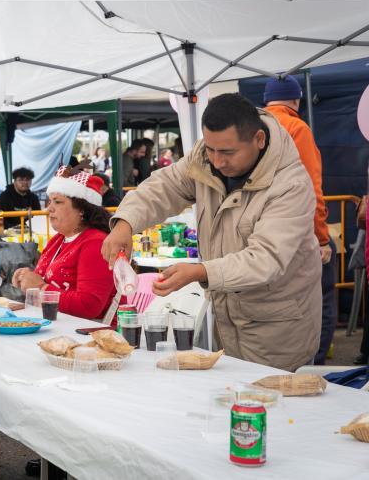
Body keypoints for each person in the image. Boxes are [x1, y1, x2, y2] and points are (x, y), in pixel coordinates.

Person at [102, 93, 321, 371]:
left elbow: (266, 259)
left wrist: (200, 272)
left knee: (277, 409)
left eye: (227, 152)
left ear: (259, 140)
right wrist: (125, 223)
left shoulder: (290, 185)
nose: (217, 161)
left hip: (279, 329)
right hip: (227, 322)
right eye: (210, 149)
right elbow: (163, 187)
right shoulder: (203, 158)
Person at [263, 74, 335, 365]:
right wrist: (321, 238)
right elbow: (311, 187)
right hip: (297, 231)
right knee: (321, 297)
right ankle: (310, 369)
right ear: (296, 100)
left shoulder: (252, 126)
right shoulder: (296, 127)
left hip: (262, 233)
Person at [12, 166, 116, 320]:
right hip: (61, 324)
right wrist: (26, 280)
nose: (49, 208)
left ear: (81, 209)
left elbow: (89, 306)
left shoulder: (95, 243)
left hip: (91, 332)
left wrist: (40, 288)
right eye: (49, 201)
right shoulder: (59, 239)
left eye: (58, 202)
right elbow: (46, 282)